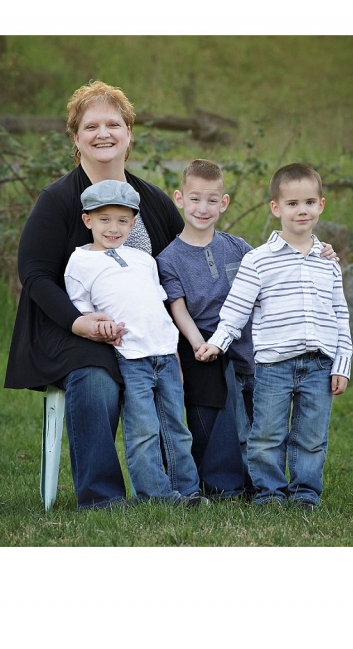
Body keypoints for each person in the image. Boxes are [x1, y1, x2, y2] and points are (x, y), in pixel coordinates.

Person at [4, 80, 184, 509]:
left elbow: (187, 258)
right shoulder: (58, 200)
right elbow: (35, 274)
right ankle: (102, 497)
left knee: (205, 361)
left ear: (128, 134)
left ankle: (200, 483)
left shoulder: (153, 202)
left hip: (147, 327)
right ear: (76, 137)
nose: (103, 133)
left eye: (113, 124)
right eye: (91, 126)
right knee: (95, 374)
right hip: (72, 330)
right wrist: (79, 322)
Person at [196, 163, 353, 509]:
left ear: (321, 205)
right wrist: (218, 342)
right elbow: (236, 308)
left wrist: (342, 363)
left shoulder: (328, 262)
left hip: (320, 363)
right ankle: (268, 493)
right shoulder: (258, 261)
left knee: (312, 436)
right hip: (273, 364)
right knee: (266, 435)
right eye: (293, 203)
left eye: (309, 202)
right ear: (276, 208)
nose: (302, 210)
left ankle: (305, 494)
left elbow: (340, 314)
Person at [64, 180, 205, 505]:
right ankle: (155, 495)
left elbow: (158, 309)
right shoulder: (80, 262)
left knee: (176, 428)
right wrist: (102, 327)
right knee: (143, 430)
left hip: (165, 356)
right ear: (88, 220)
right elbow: (83, 311)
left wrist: (176, 356)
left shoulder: (143, 259)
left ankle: (188, 491)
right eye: (104, 219)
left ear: (134, 221)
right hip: (131, 357)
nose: (114, 228)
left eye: (122, 220)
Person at [156, 159, 255, 500]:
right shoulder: (169, 259)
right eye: (195, 199)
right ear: (180, 198)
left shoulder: (238, 248)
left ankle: (257, 478)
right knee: (214, 392)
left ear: (223, 203)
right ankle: (220, 483)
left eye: (212, 200)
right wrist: (200, 343)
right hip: (201, 347)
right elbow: (177, 307)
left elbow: (269, 276)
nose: (203, 208)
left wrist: (320, 252)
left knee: (255, 418)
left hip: (246, 346)